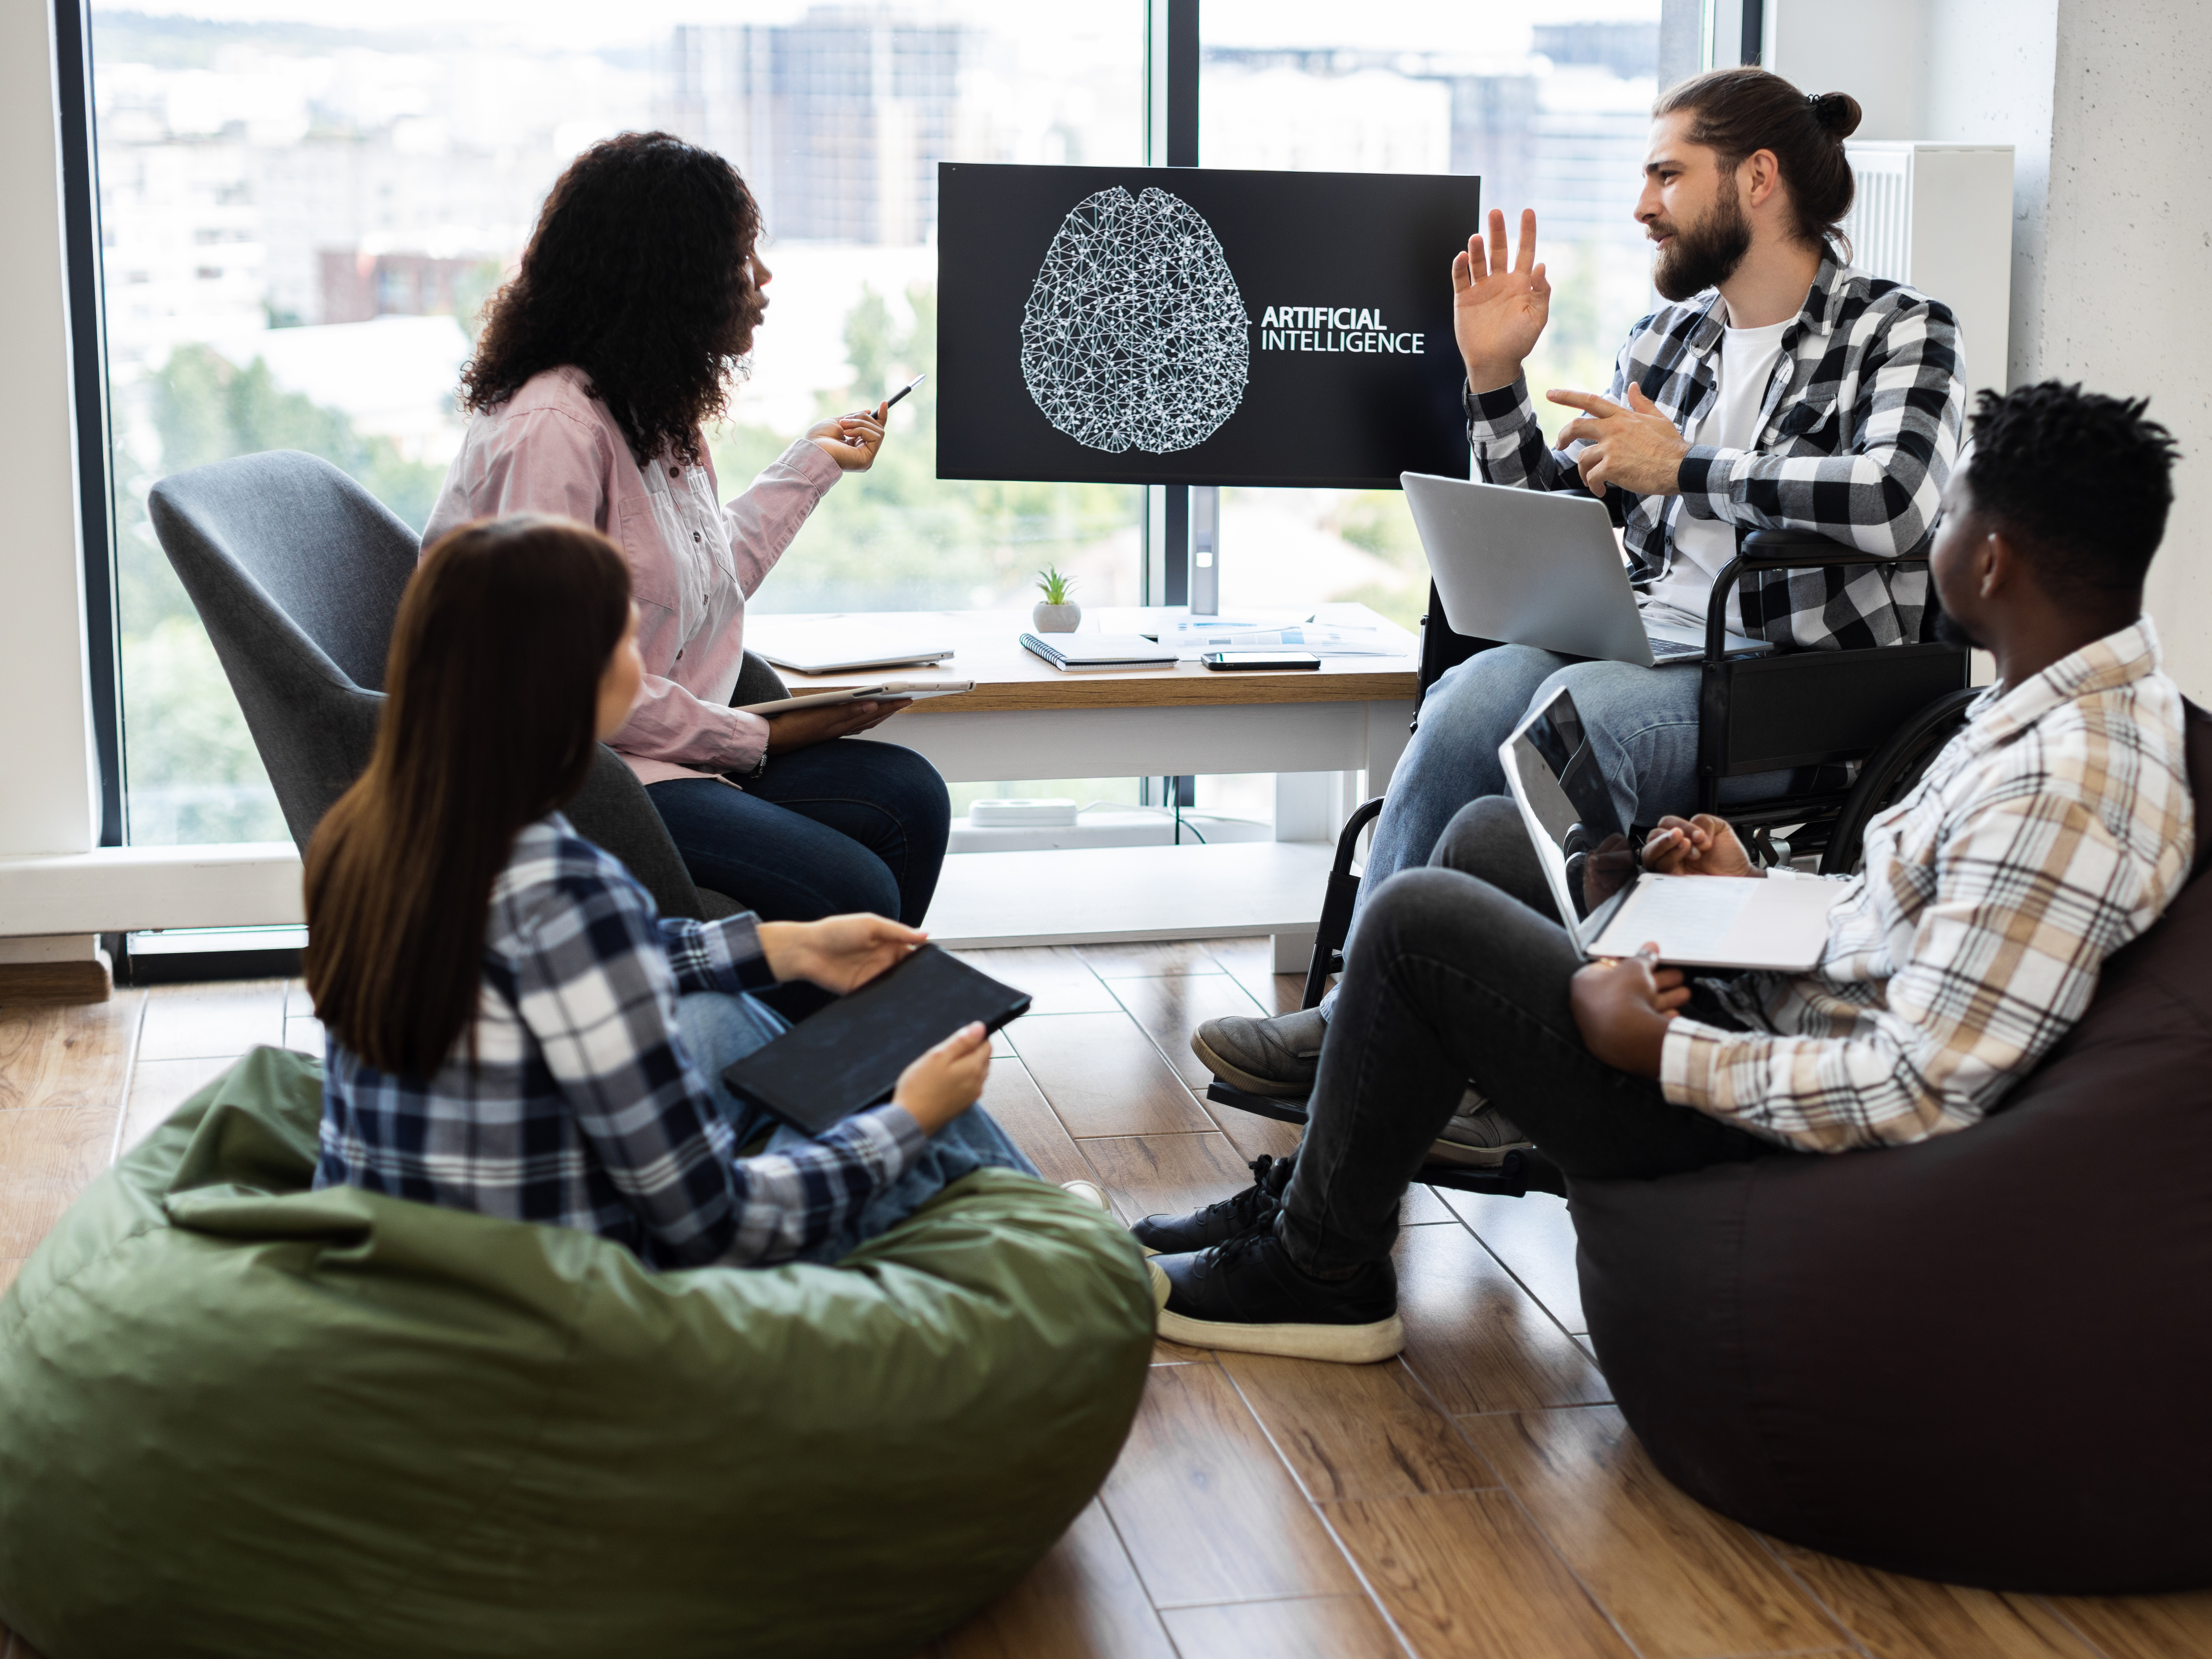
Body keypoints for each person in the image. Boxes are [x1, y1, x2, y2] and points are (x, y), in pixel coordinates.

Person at [1141, 381, 2195, 1362]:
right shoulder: (2042, 709)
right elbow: (1914, 926)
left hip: (1754, 1119)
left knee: (1419, 917)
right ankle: (1315, 1207)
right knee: (1489, 841)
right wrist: (1746, 891)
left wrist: (1660, 1048)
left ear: (1994, 561)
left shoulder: (2069, 782)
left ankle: (1318, 1271)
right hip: (1769, 1008)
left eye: (1951, 515)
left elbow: (1917, 1089)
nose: (1936, 542)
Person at [1192, 67, 1969, 1126]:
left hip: (1789, 685)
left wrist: (1689, 467)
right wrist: (1493, 380)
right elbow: (1558, 516)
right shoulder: (1669, 342)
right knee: (1474, 698)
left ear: (1757, 178)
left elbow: (1897, 504)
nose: (1642, 205)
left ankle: (1503, 1049)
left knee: (1564, 730)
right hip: (1641, 648)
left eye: (1665, 174)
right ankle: (1362, 1015)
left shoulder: (1900, 328)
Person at [304, 515, 1047, 1269]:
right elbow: (720, 1225)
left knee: (721, 1012)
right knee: (905, 1117)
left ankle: (1028, 1216)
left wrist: (784, 945)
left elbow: (567, 960)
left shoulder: (371, 833)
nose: (643, 669)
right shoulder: (564, 885)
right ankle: (1073, 1257)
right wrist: (911, 1118)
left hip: (411, 1237)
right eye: (627, 643)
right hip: (557, 1292)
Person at [428, 131, 950, 937]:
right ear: (672, 278)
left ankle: (822, 1054)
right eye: (746, 256)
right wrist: (754, 736)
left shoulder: (647, 412)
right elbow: (557, 690)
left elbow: (698, 581)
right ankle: (780, 1055)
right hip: (576, 781)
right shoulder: (552, 434)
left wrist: (812, 464)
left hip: (662, 759)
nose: (766, 281)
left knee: (909, 799)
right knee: (853, 885)